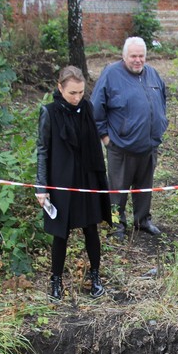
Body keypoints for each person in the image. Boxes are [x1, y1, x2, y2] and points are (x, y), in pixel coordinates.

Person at [35, 66, 111, 300]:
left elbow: (94, 144)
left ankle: (95, 276)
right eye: (72, 93)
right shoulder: (49, 112)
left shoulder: (86, 107)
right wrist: (42, 187)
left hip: (86, 177)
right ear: (60, 88)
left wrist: (100, 180)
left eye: (80, 92)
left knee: (91, 228)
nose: (77, 98)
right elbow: (43, 150)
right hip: (61, 180)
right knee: (61, 233)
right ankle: (55, 281)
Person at [92, 37, 168, 241]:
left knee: (144, 188)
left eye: (141, 56)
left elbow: (163, 99)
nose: (138, 60)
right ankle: (117, 224)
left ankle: (142, 220)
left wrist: (161, 124)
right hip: (121, 147)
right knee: (118, 190)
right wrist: (106, 138)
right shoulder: (111, 74)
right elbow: (96, 108)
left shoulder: (152, 74)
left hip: (149, 146)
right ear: (124, 56)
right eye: (133, 56)